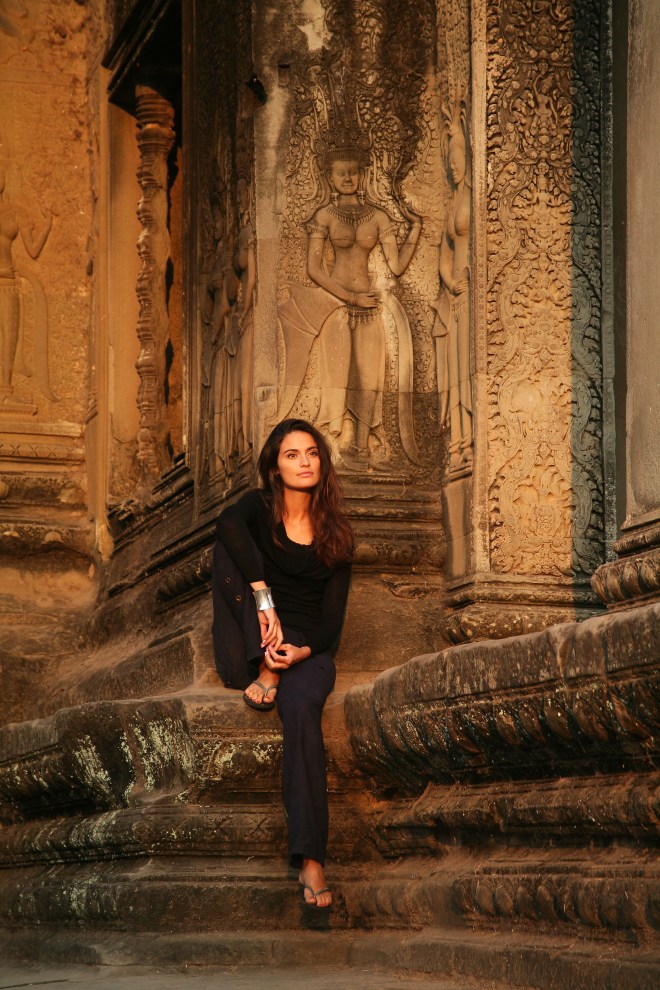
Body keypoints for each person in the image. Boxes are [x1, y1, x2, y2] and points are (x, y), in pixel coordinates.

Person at [211, 418, 354, 909]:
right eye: (292, 454)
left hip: (307, 651)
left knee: (301, 716)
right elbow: (227, 524)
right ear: (275, 465)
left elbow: (331, 627)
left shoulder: (336, 533)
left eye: (312, 453)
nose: (305, 462)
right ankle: (265, 666)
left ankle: (311, 860)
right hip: (257, 633)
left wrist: (300, 652)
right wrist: (263, 594)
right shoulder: (259, 508)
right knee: (228, 547)